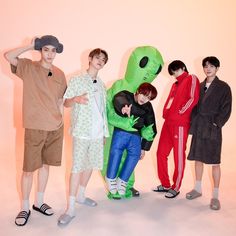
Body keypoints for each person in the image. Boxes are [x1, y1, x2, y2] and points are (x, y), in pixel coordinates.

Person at [4, 35, 67, 226]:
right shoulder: (28, 67)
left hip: (55, 127)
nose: (49, 53)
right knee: (29, 169)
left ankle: (39, 202)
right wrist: (31, 45)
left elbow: (60, 101)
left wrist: (61, 120)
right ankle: (24, 207)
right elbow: (8, 56)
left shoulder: (59, 73)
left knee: (46, 166)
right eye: (46, 49)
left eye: (53, 50)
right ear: (41, 50)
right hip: (35, 127)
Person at [58, 48, 109, 226]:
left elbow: (103, 112)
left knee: (91, 165)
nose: (100, 61)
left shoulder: (102, 86)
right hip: (81, 131)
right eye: (97, 58)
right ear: (90, 59)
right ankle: (70, 208)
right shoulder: (77, 80)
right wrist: (76, 99)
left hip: (97, 134)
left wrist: (104, 133)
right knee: (77, 167)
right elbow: (65, 103)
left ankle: (81, 195)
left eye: (103, 59)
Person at [186, 56, 232, 210]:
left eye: (212, 66)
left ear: (217, 68)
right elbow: (193, 106)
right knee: (198, 159)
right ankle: (198, 189)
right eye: (205, 66)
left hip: (212, 128)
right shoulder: (198, 86)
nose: (208, 68)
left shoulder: (223, 87)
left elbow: (226, 109)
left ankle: (215, 196)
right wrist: (192, 122)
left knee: (214, 162)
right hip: (199, 126)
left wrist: (216, 123)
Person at [153, 60, 200, 198]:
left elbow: (193, 98)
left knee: (178, 156)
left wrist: (181, 112)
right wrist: (165, 112)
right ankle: (165, 184)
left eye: (176, 70)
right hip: (168, 123)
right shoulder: (175, 84)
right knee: (161, 153)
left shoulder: (191, 78)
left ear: (183, 68)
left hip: (180, 124)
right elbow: (171, 100)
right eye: (173, 72)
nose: (174, 74)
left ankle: (176, 186)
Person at [106, 83, 157, 197]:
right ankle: (110, 178)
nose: (145, 99)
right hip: (121, 132)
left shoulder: (148, 107)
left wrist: (144, 147)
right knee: (116, 153)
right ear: (138, 91)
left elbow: (151, 126)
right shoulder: (127, 95)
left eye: (149, 98)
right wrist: (123, 107)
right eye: (144, 95)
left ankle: (123, 181)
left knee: (134, 156)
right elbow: (119, 99)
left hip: (136, 136)